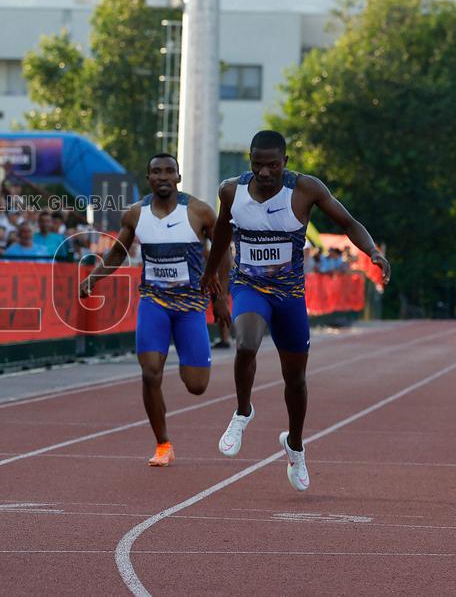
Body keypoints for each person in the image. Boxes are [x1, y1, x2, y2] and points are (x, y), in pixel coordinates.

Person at [201, 130, 390, 491]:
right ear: (250, 163)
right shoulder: (231, 191)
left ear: (285, 162)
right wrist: (212, 275)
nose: (265, 172)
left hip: (289, 296)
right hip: (250, 287)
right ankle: (243, 411)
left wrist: (373, 253)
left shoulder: (306, 189)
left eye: (273, 165)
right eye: (258, 165)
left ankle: (296, 445)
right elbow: (222, 234)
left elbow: (348, 223)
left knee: (296, 381)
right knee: (246, 344)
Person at [81, 153, 229, 467]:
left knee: (197, 386)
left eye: (168, 171)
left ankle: (185, 356)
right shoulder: (136, 214)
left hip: (190, 306)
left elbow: (222, 252)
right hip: (154, 303)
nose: (163, 177)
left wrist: (221, 297)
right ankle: (163, 444)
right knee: (150, 373)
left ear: (178, 177)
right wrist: (94, 278)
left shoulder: (200, 211)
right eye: (156, 172)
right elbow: (118, 253)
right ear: (148, 178)